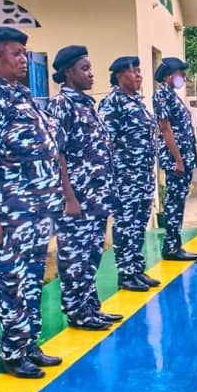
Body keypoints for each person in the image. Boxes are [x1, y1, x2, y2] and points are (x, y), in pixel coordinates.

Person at [0, 27, 63, 379]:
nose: (23, 59)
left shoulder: (21, 95)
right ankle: (11, 353)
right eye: (15, 53)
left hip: (36, 210)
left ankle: (28, 342)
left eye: (24, 53)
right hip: (10, 211)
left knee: (32, 278)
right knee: (11, 282)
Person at [46, 46, 121, 330]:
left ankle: (90, 306)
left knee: (91, 254)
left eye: (90, 69)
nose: (91, 75)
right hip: (77, 197)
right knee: (74, 256)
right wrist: (69, 197)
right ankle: (76, 311)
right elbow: (58, 154)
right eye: (84, 69)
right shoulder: (61, 105)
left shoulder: (86, 104)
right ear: (68, 72)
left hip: (97, 196)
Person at [98, 56, 160, 292]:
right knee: (125, 224)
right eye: (133, 72)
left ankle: (136, 269)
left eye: (139, 72)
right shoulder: (112, 103)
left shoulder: (137, 102)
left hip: (142, 177)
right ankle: (125, 273)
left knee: (138, 224)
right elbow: (106, 142)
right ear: (119, 76)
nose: (138, 76)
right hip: (125, 178)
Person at [153, 58, 197, 261]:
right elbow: (165, 128)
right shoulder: (162, 94)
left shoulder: (171, 95)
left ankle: (174, 244)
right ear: (168, 76)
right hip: (176, 159)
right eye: (181, 73)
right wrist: (178, 160)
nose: (184, 77)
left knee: (178, 201)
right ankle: (171, 247)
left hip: (184, 157)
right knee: (173, 202)